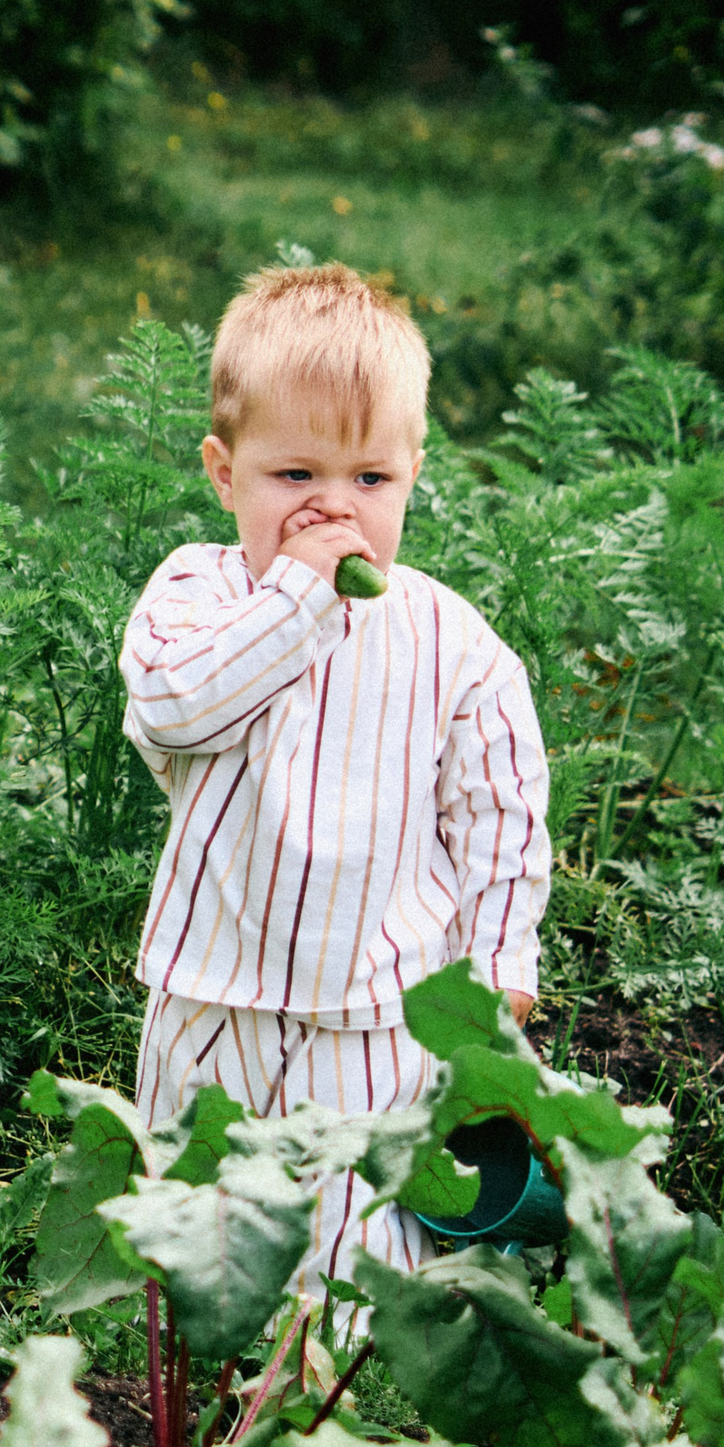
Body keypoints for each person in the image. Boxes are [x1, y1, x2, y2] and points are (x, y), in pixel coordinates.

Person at [121, 262, 549, 1320]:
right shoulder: (197, 593)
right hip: (210, 989)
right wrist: (297, 597)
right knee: (193, 1204)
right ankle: (193, 1366)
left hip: (376, 1004)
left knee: (345, 1238)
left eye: (369, 481)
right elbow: (177, 708)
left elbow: (496, 810)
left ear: (411, 472)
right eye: (294, 475)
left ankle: (320, 1384)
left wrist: (498, 965)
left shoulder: (450, 639)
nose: (332, 510)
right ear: (225, 474)